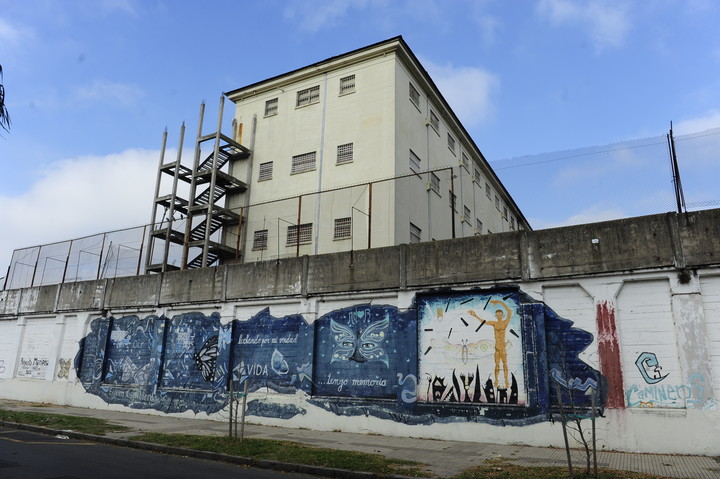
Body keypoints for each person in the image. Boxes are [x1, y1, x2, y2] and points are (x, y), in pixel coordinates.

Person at [468, 299, 511, 389]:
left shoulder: (505, 322)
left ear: (502, 315)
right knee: (497, 365)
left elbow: (509, 310)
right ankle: (496, 381)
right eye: (497, 314)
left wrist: (499, 302)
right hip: (497, 346)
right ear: (496, 315)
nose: (499, 315)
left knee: (505, 364)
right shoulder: (494, 323)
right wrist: (475, 315)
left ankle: (506, 381)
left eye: (500, 314)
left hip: (502, 346)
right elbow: (484, 322)